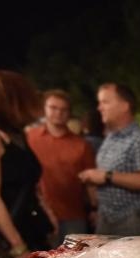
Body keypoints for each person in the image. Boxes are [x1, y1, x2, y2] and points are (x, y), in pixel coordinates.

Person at [0, 70, 54, 258]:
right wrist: (18, 246)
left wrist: (47, 214)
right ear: (13, 100)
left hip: (29, 228)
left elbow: (31, 182)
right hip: (7, 238)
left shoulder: (17, 135)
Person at [79, 83, 140, 236]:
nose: (99, 108)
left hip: (132, 220)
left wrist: (106, 176)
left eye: (105, 102)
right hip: (107, 217)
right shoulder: (110, 138)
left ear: (124, 106)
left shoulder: (139, 139)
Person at [27, 89, 96, 245]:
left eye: (63, 109)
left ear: (69, 112)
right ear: (44, 109)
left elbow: (90, 182)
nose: (58, 113)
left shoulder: (81, 144)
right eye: (53, 108)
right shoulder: (30, 137)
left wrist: (94, 208)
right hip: (39, 213)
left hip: (73, 215)